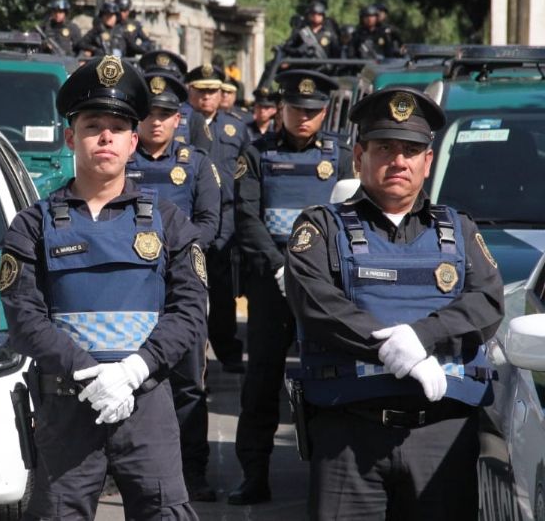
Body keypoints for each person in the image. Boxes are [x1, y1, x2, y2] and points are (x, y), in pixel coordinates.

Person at [0, 55, 205, 519]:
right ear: (71, 137)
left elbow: (189, 312)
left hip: (145, 402)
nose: (105, 137)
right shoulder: (31, 225)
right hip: (65, 408)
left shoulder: (170, 223)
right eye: (94, 125)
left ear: (134, 141)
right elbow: (24, 318)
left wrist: (132, 371)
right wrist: (91, 375)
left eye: (117, 126)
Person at [285, 86, 504, 518]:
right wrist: (392, 348)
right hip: (350, 436)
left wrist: (421, 337)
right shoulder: (320, 227)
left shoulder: (459, 228)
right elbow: (315, 302)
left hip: (441, 438)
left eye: (411, 150)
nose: (398, 161)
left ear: (428, 161)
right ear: (359, 156)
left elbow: (488, 302)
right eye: (385, 147)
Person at [230, 69, 353, 505]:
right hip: (272, 285)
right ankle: (253, 475)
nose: (305, 118)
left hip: (323, 285)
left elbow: (351, 217)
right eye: (297, 110)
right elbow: (247, 217)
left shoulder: (339, 154)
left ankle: (329, 478)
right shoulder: (257, 153)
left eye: (314, 112)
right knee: (261, 379)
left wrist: (315, 272)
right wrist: (282, 269)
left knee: (331, 375)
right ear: (281, 108)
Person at [126, 70, 221, 501]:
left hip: (181, 288)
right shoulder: (122, 165)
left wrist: (168, 252)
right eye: (149, 114)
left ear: (178, 119)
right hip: (131, 288)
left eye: (166, 114)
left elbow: (210, 225)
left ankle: (193, 473)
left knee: (188, 384)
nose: (157, 122)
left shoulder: (197, 164)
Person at [186, 63, 247, 374]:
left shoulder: (235, 127)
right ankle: (188, 350)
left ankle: (226, 347)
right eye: (201, 91)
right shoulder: (178, 123)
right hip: (187, 213)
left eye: (213, 91)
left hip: (224, 216)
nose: (207, 97)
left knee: (221, 288)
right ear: (190, 91)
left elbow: (246, 174)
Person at [139, 51, 213, 153]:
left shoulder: (193, 117)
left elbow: (201, 155)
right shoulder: (134, 113)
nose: (161, 85)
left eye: (170, 80)